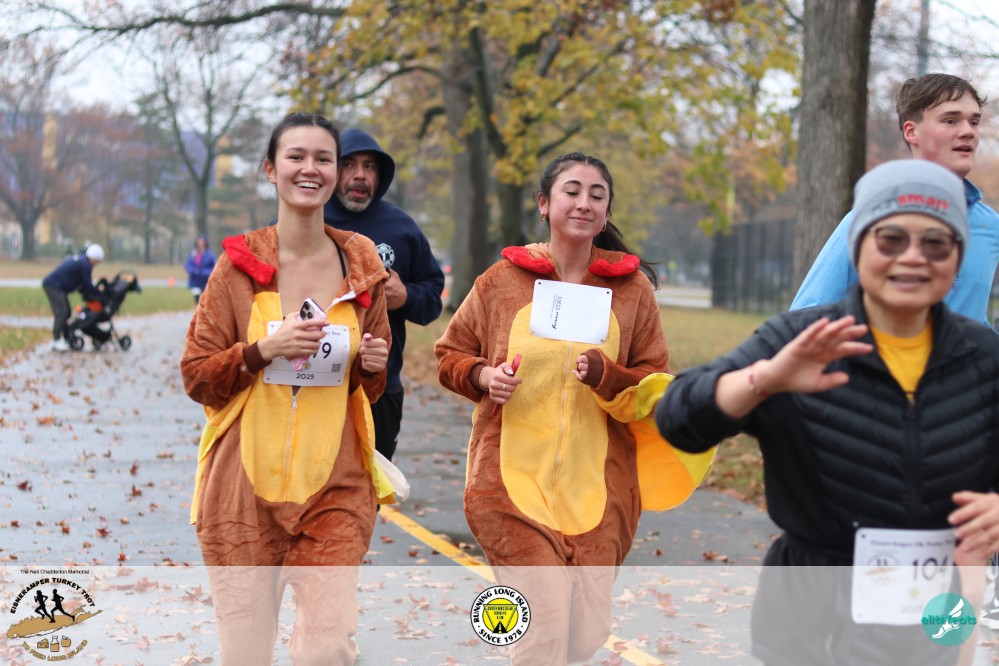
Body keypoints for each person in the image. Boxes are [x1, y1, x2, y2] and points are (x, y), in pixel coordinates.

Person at [658, 160, 999, 665]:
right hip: (809, 617)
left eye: (935, 243)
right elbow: (678, 420)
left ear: (957, 257)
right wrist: (766, 379)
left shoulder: (985, 359)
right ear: (858, 247)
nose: (913, 257)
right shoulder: (801, 340)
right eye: (891, 239)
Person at [436, 153, 680, 664]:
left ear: (607, 212)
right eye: (572, 191)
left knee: (583, 637)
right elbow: (450, 353)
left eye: (597, 194)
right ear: (544, 203)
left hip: (597, 493)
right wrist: (483, 376)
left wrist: (607, 376)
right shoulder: (500, 281)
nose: (584, 203)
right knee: (542, 630)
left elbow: (654, 383)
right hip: (510, 484)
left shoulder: (632, 292)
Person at [180, 112, 393, 665]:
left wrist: (371, 365)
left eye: (324, 158)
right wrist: (261, 351)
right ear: (271, 170)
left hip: (335, 487)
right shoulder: (238, 267)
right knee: (246, 653)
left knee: (328, 646)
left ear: (335, 173)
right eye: (296, 156)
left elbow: (368, 387)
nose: (310, 168)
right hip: (243, 491)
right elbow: (197, 374)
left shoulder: (362, 265)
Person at [791, 73, 999, 327]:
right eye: (950, 120)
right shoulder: (870, 221)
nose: (968, 132)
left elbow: (974, 320)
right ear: (912, 131)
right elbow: (807, 317)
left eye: (974, 122)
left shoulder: (991, 226)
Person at [324, 128, 445, 462]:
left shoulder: (402, 228)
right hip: (312, 378)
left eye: (370, 166)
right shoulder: (306, 220)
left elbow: (433, 298)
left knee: (371, 486)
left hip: (381, 384)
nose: (360, 175)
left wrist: (407, 297)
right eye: (349, 165)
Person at [41, 244, 104, 352]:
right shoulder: (85, 265)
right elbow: (87, 284)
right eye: (97, 261)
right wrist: (98, 292)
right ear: (94, 258)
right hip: (53, 286)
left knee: (67, 312)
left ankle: (67, 338)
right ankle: (56, 340)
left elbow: (82, 283)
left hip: (58, 287)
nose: (97, 264)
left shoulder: (81, 260)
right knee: (62, 312)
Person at [184, 235, 216, 305]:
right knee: (197, 299)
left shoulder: (210, 256)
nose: (200, 245)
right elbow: (187, 265)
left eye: (202, 243)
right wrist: (194, 271)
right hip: (195, 281)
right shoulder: (193, 254)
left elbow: (214, 267)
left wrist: (204, 273)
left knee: (206, 300)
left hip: (205, 281)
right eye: (199, 243)